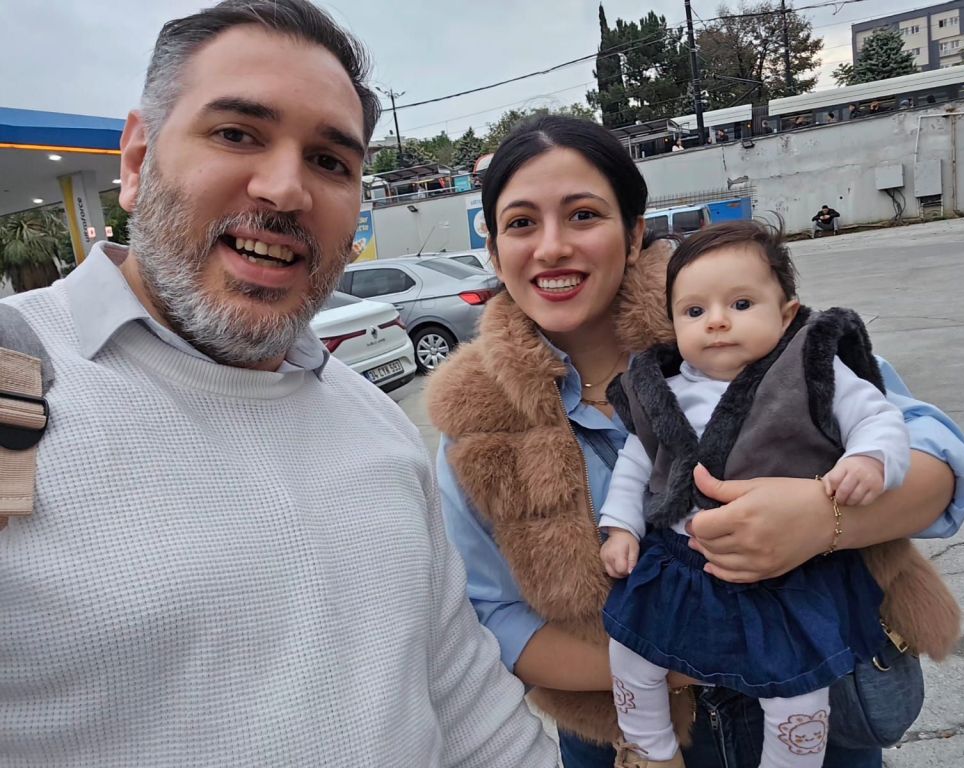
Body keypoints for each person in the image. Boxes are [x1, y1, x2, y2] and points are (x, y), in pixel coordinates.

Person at [0, 1, 557, 765]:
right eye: (236, 134)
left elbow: (472, 712)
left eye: (330, 162)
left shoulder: (378, 427)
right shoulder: (20, 383)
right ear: (136, 161)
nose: (287, 189)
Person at [427, 114, 964, 768]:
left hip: (818, 705)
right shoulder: (476, 423)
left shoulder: (733, 318)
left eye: (583, 215)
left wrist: (822, 520)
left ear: (634, 234)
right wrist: (677, 661)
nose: (552, 247)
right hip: (631, 736)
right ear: (495, 253)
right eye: (521, 223)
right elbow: (493, 618)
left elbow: (942, 463)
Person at [598, 220, 958, 768]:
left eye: (741, 303)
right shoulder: (664, 389)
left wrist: (868, 459)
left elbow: (878, 417)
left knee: (796, 686)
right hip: (682, 564)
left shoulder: (811, 370)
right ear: (673, 324)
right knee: (631, 651)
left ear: (787, 313)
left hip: (787, 570)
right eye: (693, 311)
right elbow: (637, 464)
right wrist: (621, 527)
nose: (716, 321)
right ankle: (650, 748)